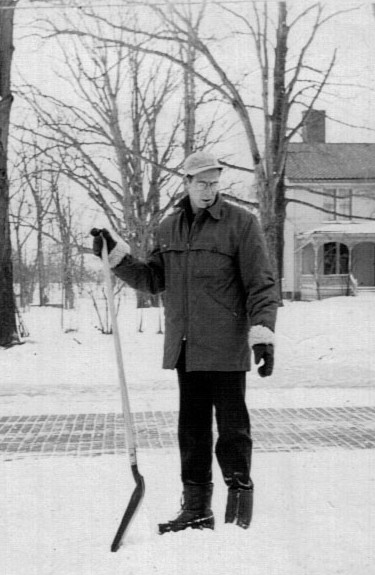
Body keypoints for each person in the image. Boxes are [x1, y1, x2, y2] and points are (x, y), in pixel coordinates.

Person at [92, 150, 278, 534]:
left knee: (232, 430)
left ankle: (239, 506)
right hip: (186, 347)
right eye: (202, 183)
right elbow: (153, 279)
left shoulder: (241, 224)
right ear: (187, 182)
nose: (209, 190)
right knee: (192, 432)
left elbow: (260, 283)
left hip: (226, 346)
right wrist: (116, 257)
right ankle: (196, 508)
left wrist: (262, 336)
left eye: (215, 183)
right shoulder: (169, 227)